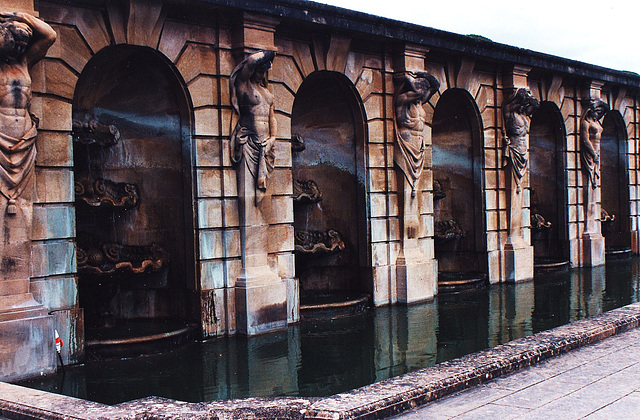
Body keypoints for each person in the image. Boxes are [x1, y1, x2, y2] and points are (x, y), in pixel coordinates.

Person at [0, 11, 56, 214]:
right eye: (15, 44)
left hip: (24, 139)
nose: (19, 49)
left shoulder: (24, 62)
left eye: (23, 46)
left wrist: (20, 16)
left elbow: (50, 36)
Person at [229, 50, 277, 205]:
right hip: (249, 144)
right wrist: (270, 53)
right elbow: (251, 60)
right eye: (259, 70)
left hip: (266, 145)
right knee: (246, 194)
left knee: (261, 197)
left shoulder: (267, 93)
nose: (261, 74)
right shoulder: (244, 87)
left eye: (264, 71)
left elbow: (272, 117)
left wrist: (273, 138)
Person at [393, 71, 439, 195]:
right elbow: (419, 92)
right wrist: (409, 78)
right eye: (421, 87)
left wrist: (422, 75)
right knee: (406, 182)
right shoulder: (403, 99)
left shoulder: (420, 102)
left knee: (415, 184)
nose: (424, 91)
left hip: (419, 144)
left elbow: (436, 85)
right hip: (407, 141)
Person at [502, 88, 539, 193]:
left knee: (520, 189)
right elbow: (508, 105)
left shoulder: (524, 115)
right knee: (514, 188)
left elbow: (533, 107)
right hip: (515, 149)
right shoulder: (510, 111)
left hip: (523, 151)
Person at [580, 98, 609, 189]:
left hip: (597, 151)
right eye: (597, 111)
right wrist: (593, 154)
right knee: (589, 177)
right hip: (590, 152)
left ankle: (593, 202)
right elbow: (585, 140)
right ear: (591, 111)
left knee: (595, 178)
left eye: (601, 112)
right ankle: (589, 203)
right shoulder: (586, 123)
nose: (599, 114)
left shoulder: (596, 122)